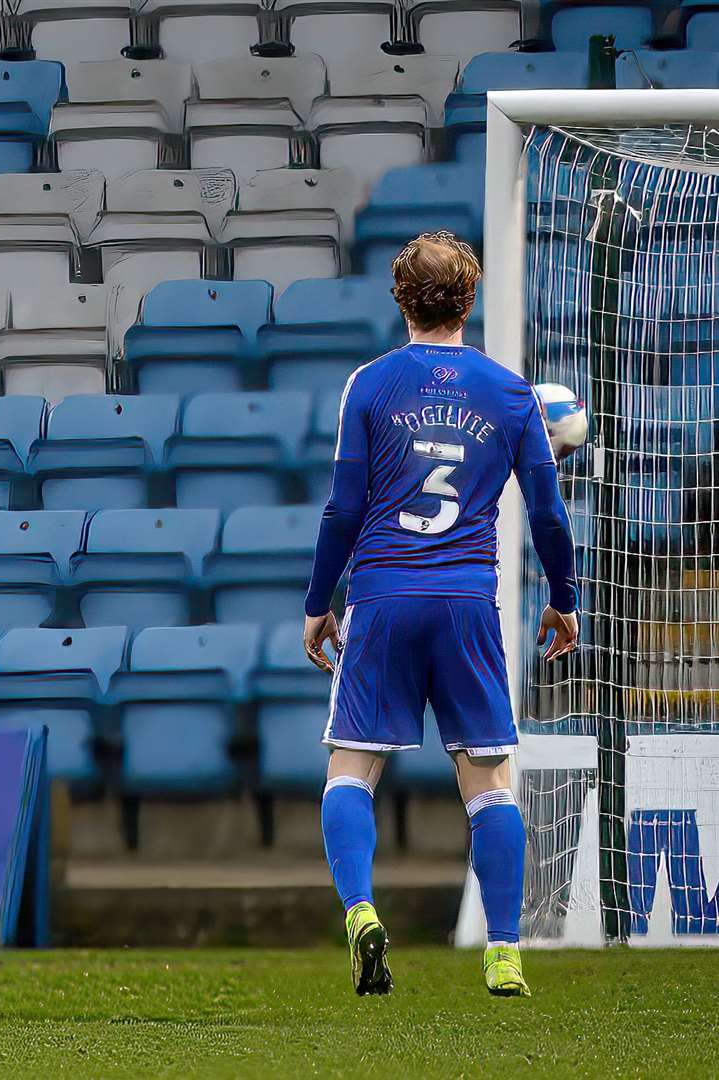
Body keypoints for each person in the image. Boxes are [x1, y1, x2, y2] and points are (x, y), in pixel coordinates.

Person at [303, 231, 579, 998]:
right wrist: (563, 598)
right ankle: (502, 951)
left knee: (349, 769)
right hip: (466, 602)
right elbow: (550, 517)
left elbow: (342, 511)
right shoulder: (510, 392)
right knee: (488, 782)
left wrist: (315, 604)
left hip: (384, 597)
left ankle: (360, 910)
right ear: (469, 297)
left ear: (400, 299)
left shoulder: (369, 383)